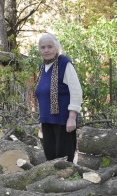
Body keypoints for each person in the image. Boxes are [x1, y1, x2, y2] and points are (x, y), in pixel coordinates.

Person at [35, 33, 83, 162]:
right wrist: (41, 120)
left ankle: (68, 182)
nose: (46, 50)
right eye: (43, 47)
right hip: (47, 120)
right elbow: (42, 95)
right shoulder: (41, 68)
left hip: (63, 121)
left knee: (64, 159)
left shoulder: (64, 63)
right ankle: (55, 182)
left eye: (50, 47)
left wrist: (72, 117)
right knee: (50, 158)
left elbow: (76, 91)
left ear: (56, 48)